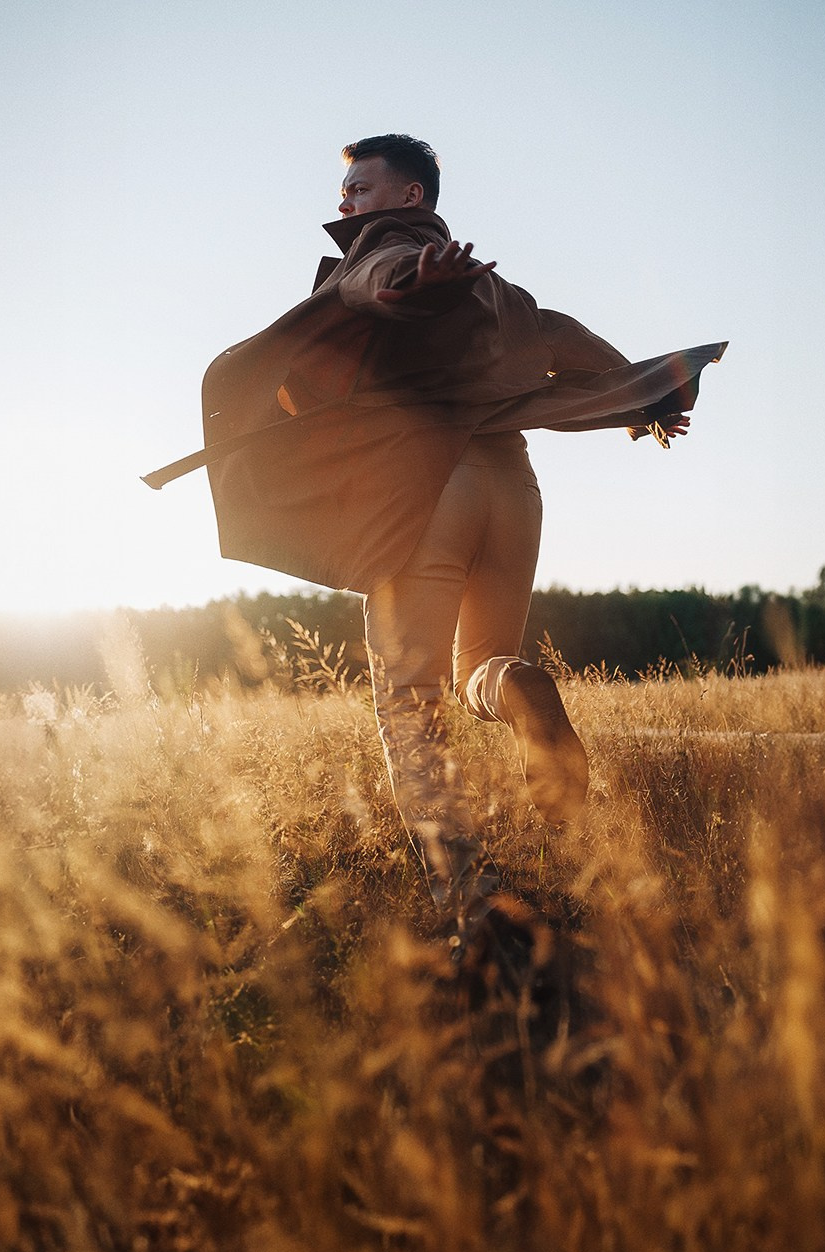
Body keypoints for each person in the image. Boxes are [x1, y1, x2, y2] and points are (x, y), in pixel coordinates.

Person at [148, 134, 725, 954]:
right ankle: (518, 686)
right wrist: (644, 399)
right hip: (510, 487)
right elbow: (559, 334)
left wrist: (409, 280)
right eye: (345, 193)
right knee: (480, 669)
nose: (346, 205)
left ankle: (468, 898)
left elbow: (372, 281)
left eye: (360, 187)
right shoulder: (501, 294)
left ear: (409, 197)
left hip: (427, 485)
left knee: (408, 704)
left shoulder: (386, 249)